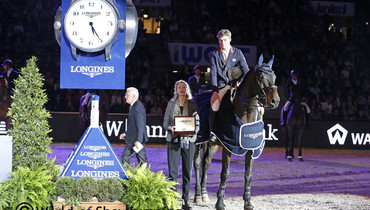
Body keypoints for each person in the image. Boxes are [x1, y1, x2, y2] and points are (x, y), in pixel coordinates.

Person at [163, 80, 198, 210]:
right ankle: (172, 200)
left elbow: (197, 123)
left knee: (187, 172)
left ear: (187, 89)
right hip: (173, 140)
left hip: (189, 142)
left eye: (184, 87)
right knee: (173, 172)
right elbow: (165, 123)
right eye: (179, 87)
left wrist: (193, 131)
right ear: (176, 89)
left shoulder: (193, 104)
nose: (182, 89)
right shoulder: (171, 105)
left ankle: (185, 201)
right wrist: (171, 128)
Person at [209, 29, 249, 133]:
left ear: (230, 39)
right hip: (221, 86)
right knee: (215, 105)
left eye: (225, 40)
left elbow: (246, 71)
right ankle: (212, 131)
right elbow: (213, 73)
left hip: (235, 85)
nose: (223, 43)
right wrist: (214, 91)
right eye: (221, 40)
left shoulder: (238, 53)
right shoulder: (214, 54)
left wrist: (240, 81)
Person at [119, 87, 149, 165]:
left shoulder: (137, 107)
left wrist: (138, 140)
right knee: (142, 161)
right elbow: (133, 125)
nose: (125, 97)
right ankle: (146, 176)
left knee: (125, 157)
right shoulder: (134, 106)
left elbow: (140, 124)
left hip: (135, 139)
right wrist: (126, 133)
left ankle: (126, 176)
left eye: (127, 95)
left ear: (134, 96)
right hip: (135, 138)